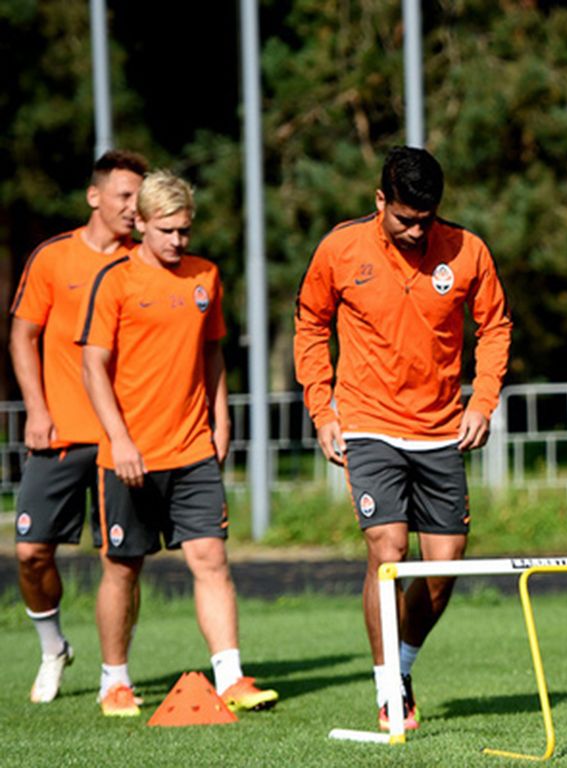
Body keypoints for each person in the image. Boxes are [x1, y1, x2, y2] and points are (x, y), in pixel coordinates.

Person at [294, 146, 512, 731]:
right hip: (367, 423)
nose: (417, 230)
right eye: (405, 219)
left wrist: (483, 399)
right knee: (388, 549)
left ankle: (405, 665)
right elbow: (310, 324)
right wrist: (323, 409)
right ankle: (387, 687)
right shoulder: (340, 249)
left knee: (442, 569)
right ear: (380, 200)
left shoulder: (467, 250)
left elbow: (495, 326)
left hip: (442, 428)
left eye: (427, 219)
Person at [76, 169, 278, 716]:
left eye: (185, 230)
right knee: (123, 566)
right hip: (128, 454)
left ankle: (231, 677)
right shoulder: (114, 281)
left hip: (192, 448)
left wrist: (222, 418)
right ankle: (114, 681)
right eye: (166, 229)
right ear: (139, 222)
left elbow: (212, 353)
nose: (177, 241)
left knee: (211, 558)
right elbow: (93, 368)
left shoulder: (205, 276)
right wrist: (120, 441)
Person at [9, 149, 148, 704]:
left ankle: (116, 676)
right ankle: (52, 648)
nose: (134, 208)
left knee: (120, 561)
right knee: (30, 552)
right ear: (95, 197)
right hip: (61, 434)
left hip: (123, 440)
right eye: (124, 196)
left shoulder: (145, 262)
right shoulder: (52, 259)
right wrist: (37, 409)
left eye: (141, 198)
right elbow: (22, 336)